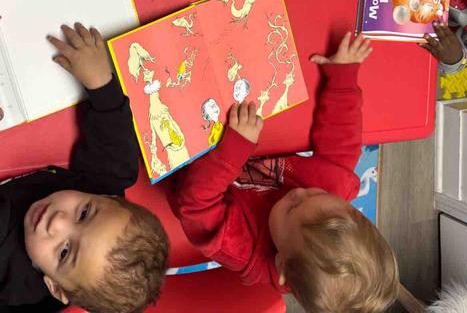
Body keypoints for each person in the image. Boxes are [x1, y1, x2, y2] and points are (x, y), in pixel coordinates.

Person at [0, 0, 169, 312]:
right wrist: (101, 82)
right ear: (109, 199)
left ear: (54, 286)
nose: (58, 222)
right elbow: (115, 153)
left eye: (65, 252)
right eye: (84, 213)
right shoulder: (103, 201)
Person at [170, 33, 398, 312]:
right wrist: (342, 75)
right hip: (242, 134)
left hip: (187, 161)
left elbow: (193, 203)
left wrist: (234, 149)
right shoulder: (329, 199)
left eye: (292, 208)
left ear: (281, 263)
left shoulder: (241, 249)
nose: (299, 192)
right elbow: (342, 141)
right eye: (317, 194)